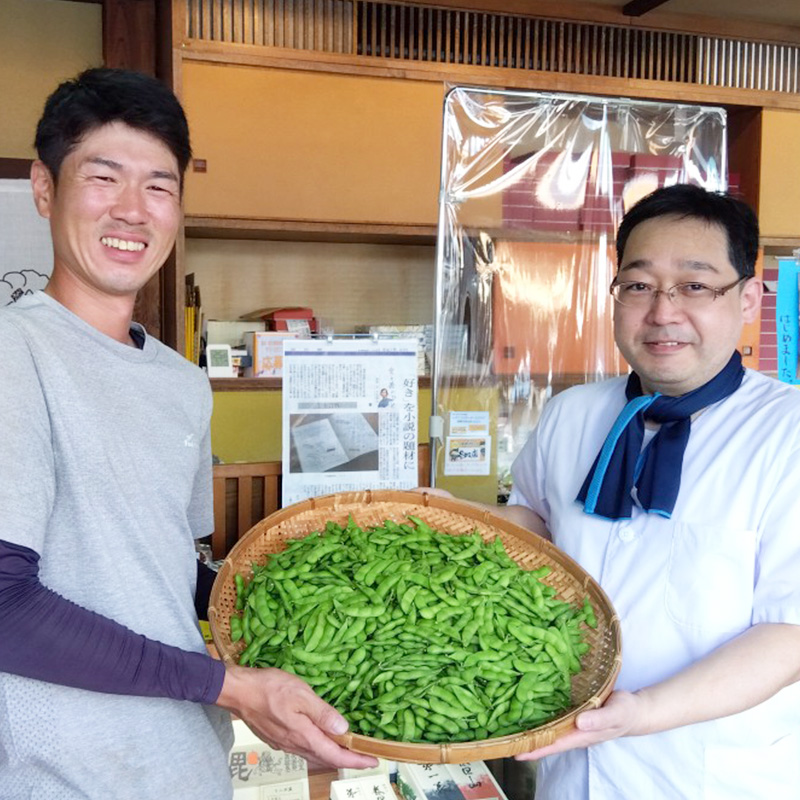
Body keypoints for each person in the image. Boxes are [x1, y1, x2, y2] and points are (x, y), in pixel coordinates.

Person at [0, 67, 375, 800]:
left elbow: (173, 568)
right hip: (71, 779)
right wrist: (231, 686)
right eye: (103, 178)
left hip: (188, 765)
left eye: (159, 186)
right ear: (45, 189)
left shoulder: (181, 382)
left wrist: (329, 591)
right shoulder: (16, 351)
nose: (132, 210)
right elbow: (5, 606)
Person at [498, 184, 800, 798]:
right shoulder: (572, 413)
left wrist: (641, 713)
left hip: (713, 776)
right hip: (570, 772)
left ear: (747, 299)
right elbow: (539, 534)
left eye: (694, 285)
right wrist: (453, 520)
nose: (663, 312)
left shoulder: (788, 433)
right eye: (638, 285)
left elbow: (788, 635)